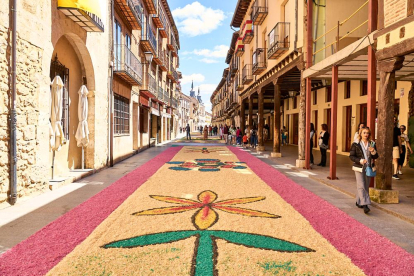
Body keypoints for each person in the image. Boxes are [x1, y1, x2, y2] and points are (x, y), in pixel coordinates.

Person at [349, 127, 378, 214]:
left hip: (368, 167)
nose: (366, 135)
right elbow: (351, 156)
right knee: (361, 184)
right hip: (359, 167)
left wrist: (373, 152)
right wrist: (360, 161)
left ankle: (359, 201)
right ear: (360, 134)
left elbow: (376, 156)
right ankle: (365, 205)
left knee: (365, 186)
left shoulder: (372, 143)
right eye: (364, 133)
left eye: (368, 133)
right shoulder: (356, 144)